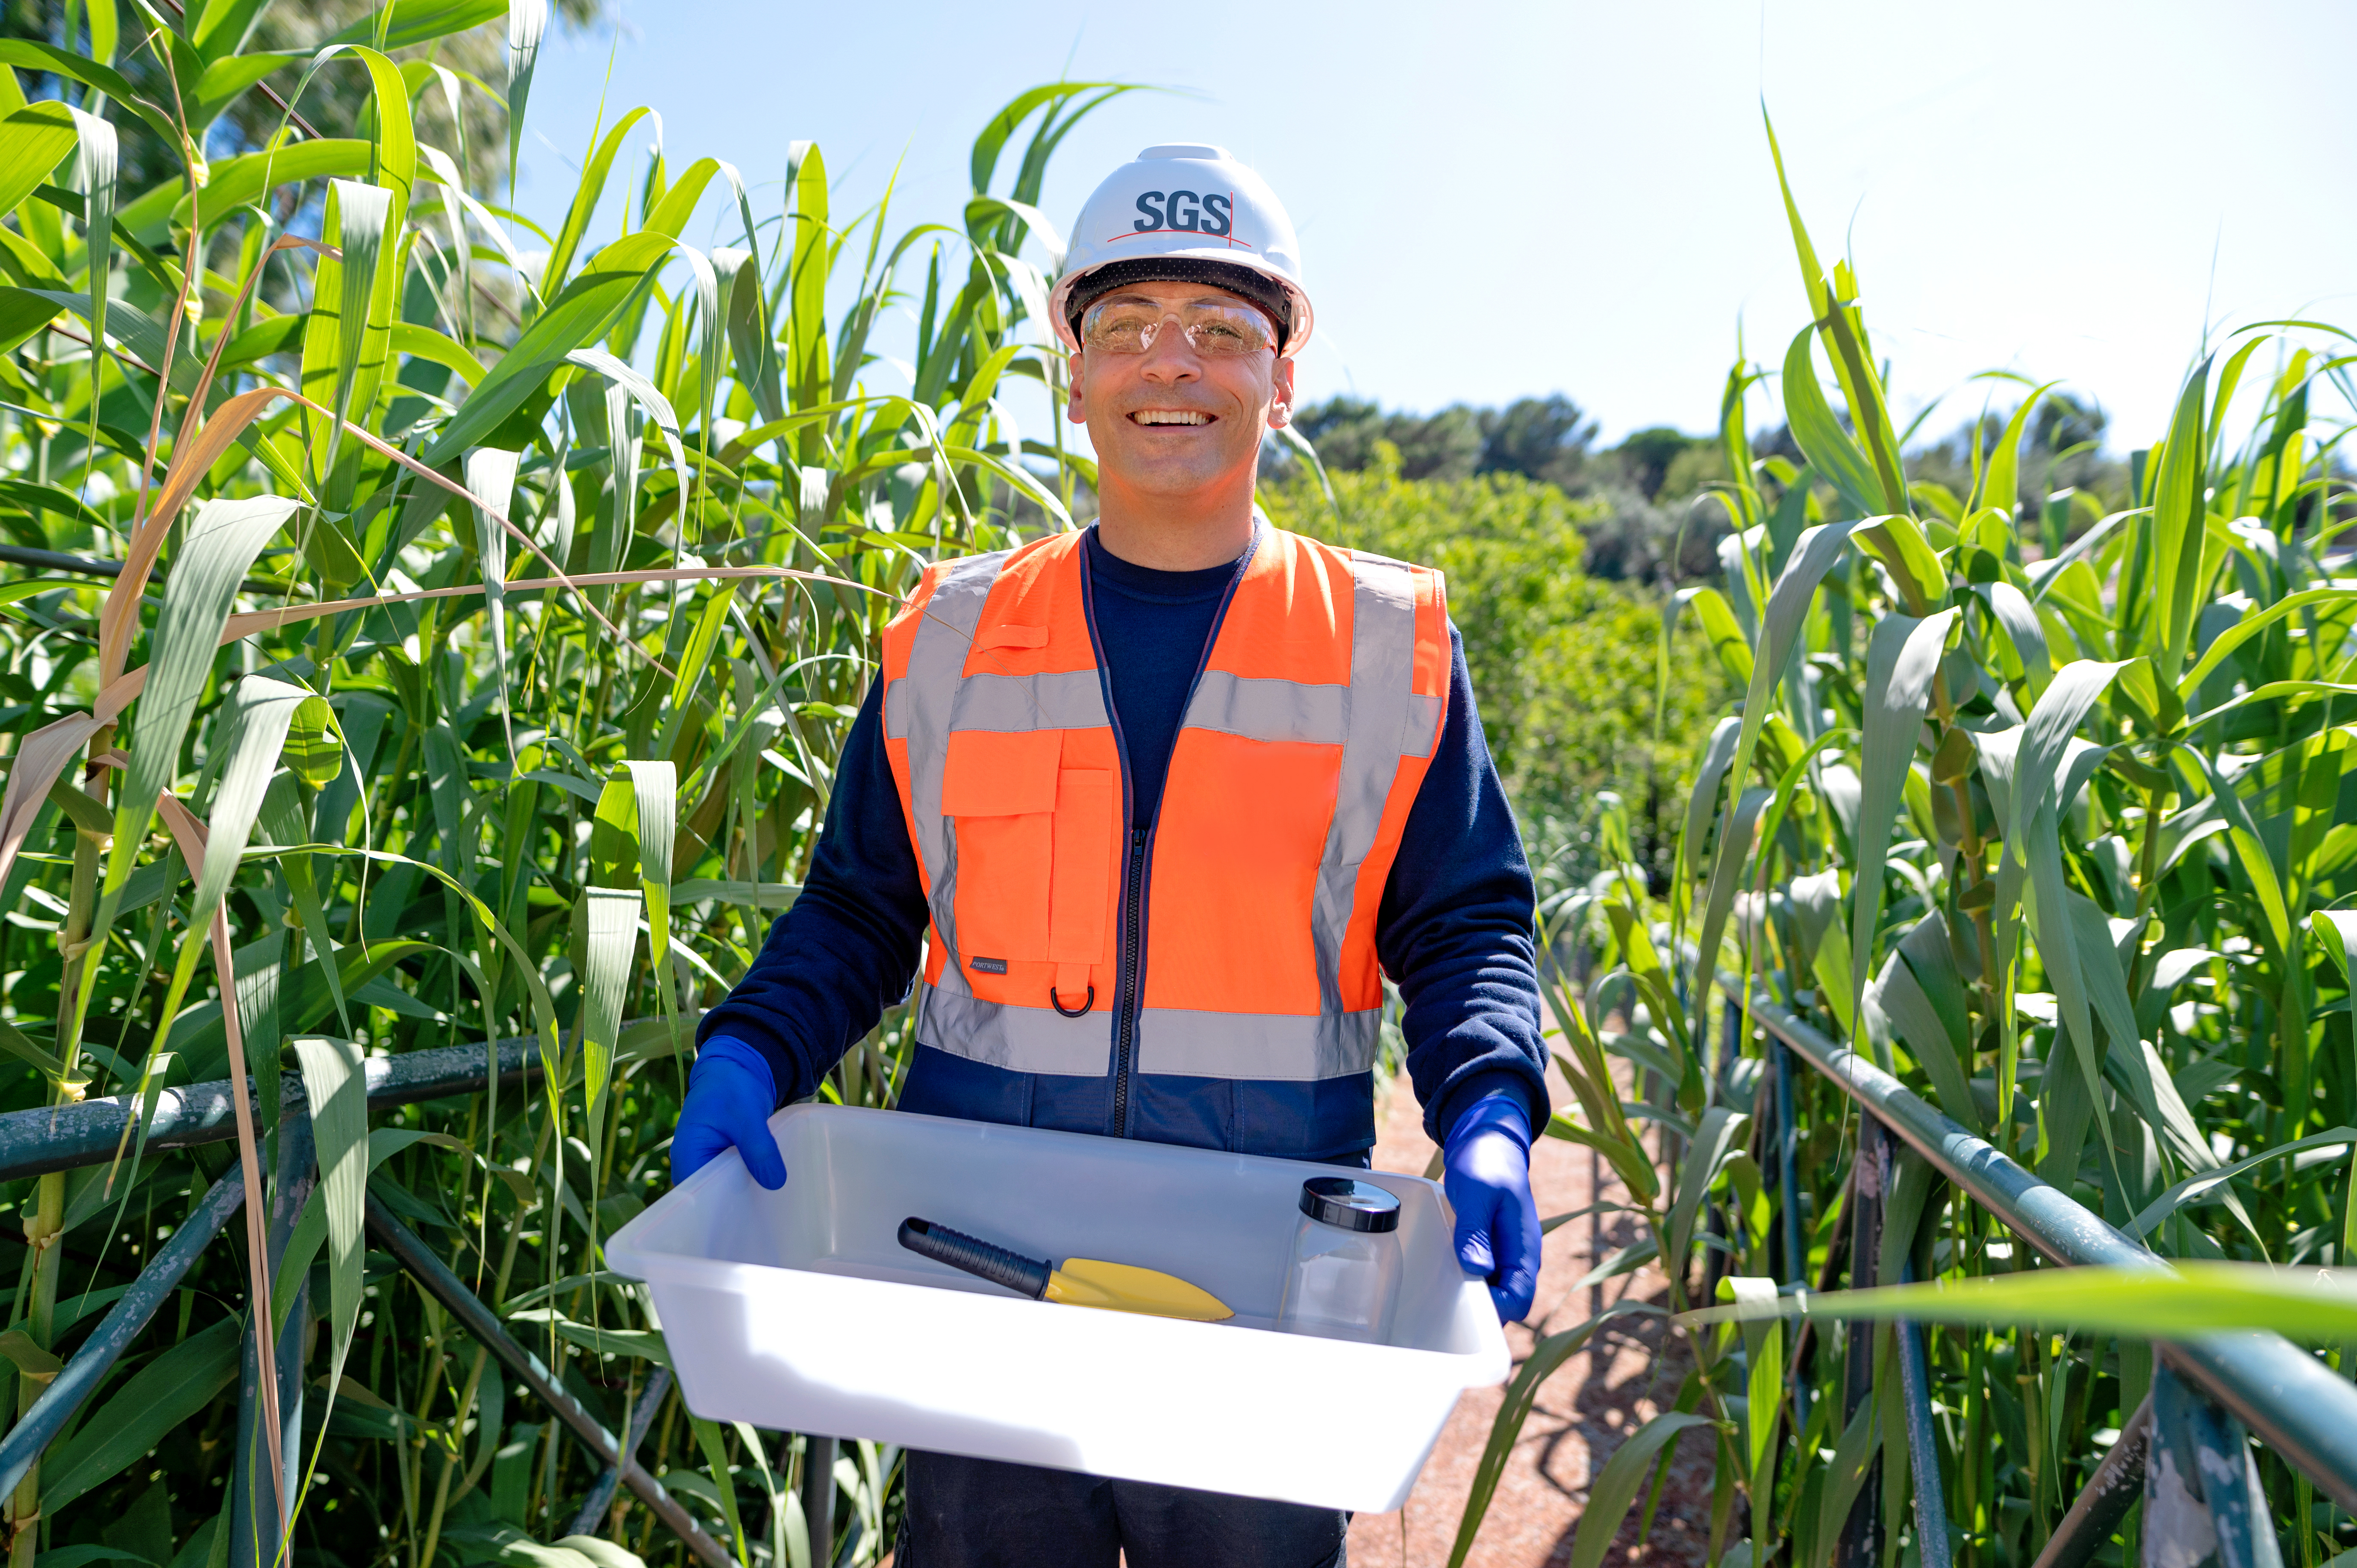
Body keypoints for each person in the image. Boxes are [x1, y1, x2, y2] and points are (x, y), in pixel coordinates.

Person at [671, 144, 1549, 1568]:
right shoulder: (946, 638)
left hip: (1271, 1292)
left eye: (1222, 329)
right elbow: (857, 911)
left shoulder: (1388, 645)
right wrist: (752, 1050)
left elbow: (1464, 928)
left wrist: (1493, 1111)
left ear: (1283, 375)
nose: (1173, 366)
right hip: (975, 1273)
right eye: (1128, 325)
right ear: (1068, 367)